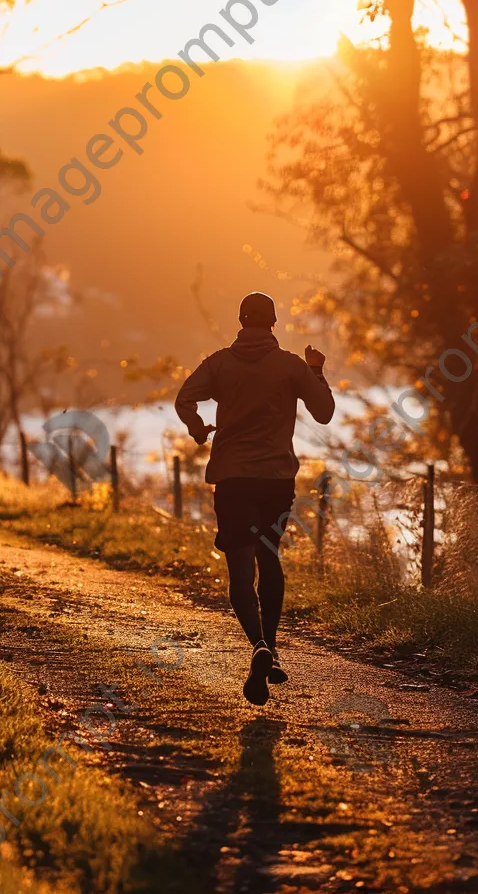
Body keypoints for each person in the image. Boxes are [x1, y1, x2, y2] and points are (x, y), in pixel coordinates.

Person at [174, 291, 335, 705]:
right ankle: (273, 647)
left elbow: (184, 398)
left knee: (240, 570)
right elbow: (324, 412)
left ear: (241, 322)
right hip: (276, 480)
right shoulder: (291, 366)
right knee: (270, 559)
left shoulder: (220, 362)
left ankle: (259, 644)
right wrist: (316, 371)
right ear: (274, 324)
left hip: (232, 479)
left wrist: (196, 427)